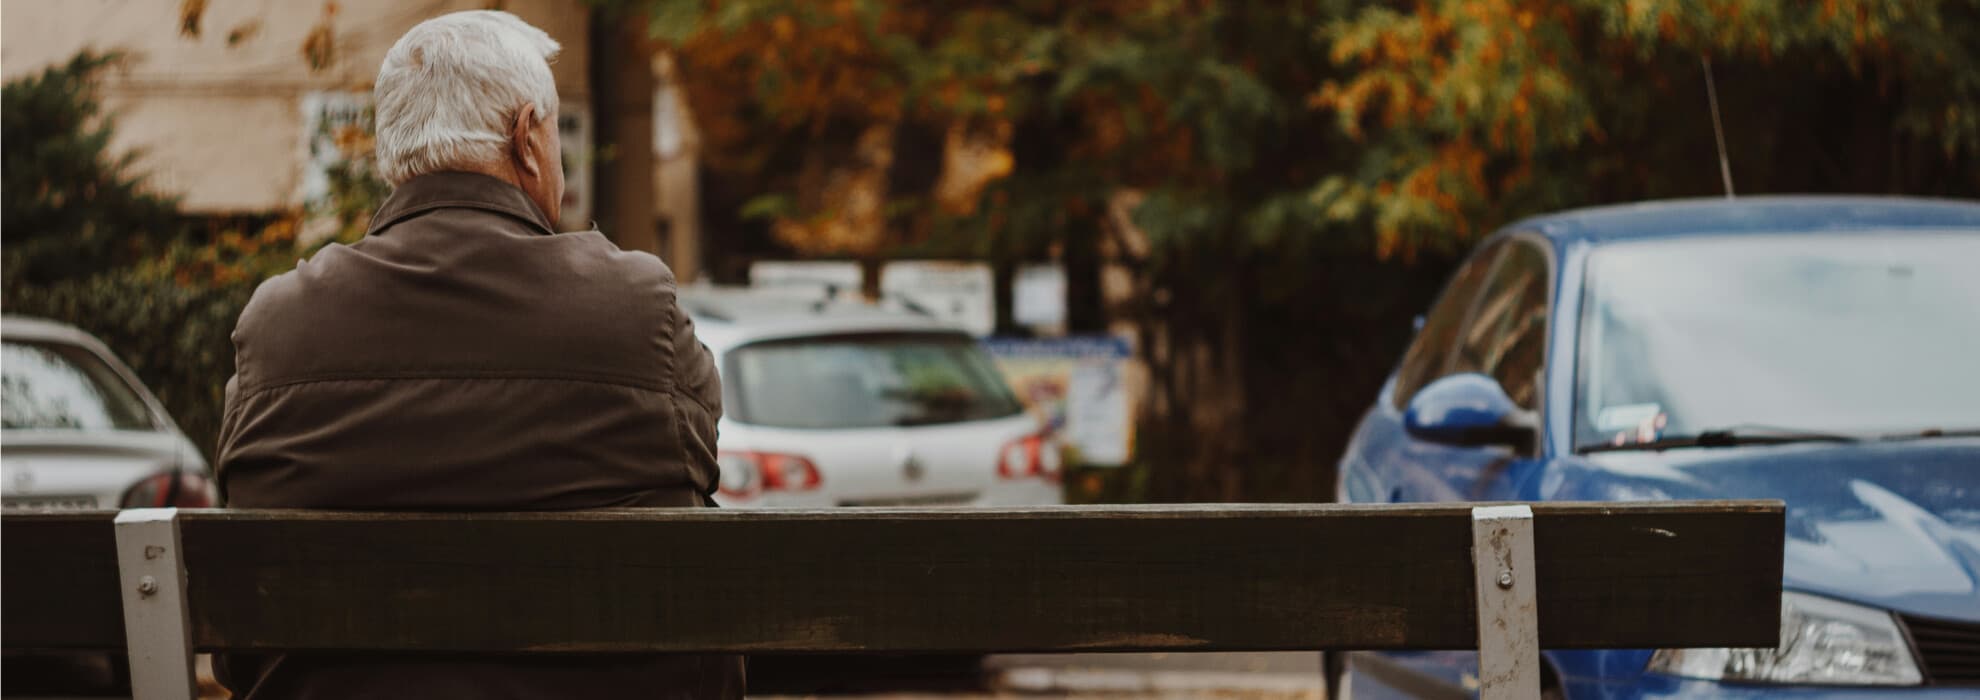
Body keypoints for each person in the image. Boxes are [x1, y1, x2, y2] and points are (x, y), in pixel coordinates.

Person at [214, 10, 741, 698]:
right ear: (526, 138)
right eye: (554, 138)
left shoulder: (278, 326)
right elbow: (698, 469)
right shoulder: (634, 307)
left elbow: (239, 647)